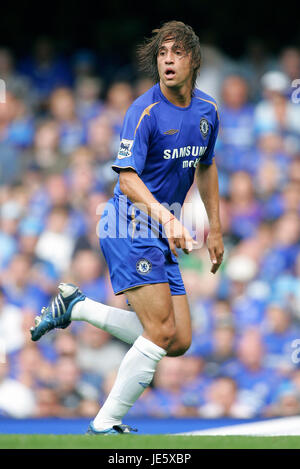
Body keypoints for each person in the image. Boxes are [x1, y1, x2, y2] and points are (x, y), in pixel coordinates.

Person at [30, 21, 224, 434]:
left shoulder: (208, 111)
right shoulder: (144, 110)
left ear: (194, 60)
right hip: (128, 225)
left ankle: (77, 307)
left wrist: (217, 230)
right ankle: (106, 423)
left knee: (180, 340)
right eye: (162, 54)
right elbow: (126, 179)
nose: (168, 61)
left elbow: (206, 167)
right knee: (161, 332)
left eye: (177, 53)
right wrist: (169, 218)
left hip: (159, 231)